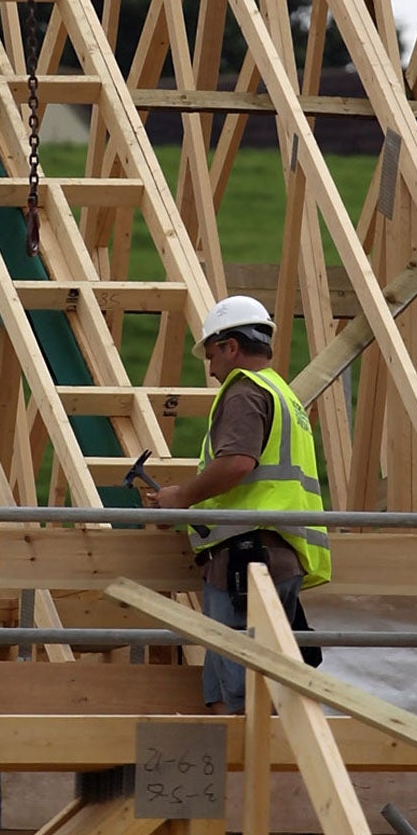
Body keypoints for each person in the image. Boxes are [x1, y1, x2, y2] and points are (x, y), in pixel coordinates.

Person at [145, 296, 332, 712]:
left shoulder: (245, 392)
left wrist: (180, 497)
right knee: (234, 685)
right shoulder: (282, 393)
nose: (211, 368)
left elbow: (236, 464)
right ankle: (249, 772)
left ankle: (247, 775)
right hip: (273, 556)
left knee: (240, 693)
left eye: (212, 355)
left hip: (247, 561)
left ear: (231, 347)